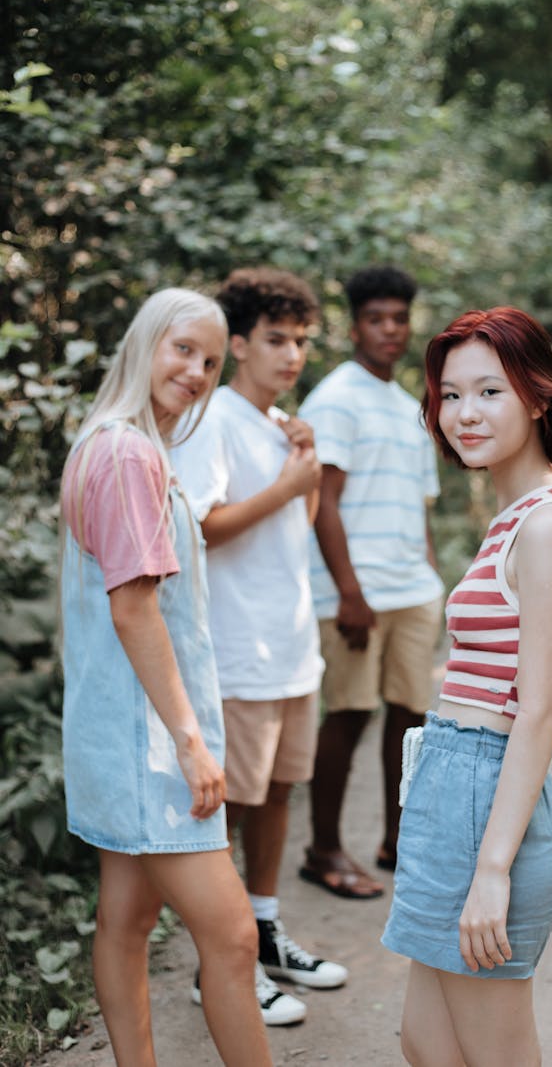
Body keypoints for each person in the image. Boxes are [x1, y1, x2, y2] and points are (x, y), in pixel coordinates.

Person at [382, 306, 552, 1067]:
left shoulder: (548, 525)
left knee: (493, 1053)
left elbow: (540, 712)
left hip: (486, 788)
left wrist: (493, 870)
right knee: (427, 1044)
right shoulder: (511, 517)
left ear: (538, 396)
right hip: (451, 777)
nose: (463, 414)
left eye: (489, 392)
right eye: (449, 395)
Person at [60, 288, 272, 1066]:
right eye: (184, 348)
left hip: (124, 734)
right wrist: (190, 741)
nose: (198, 370)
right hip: (149, 744)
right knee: (234, 934)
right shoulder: (124, 454)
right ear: (145, 342)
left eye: (213, 361)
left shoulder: (120, 447)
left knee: (126, 919)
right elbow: (135, 612)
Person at [172, 267, 348, 1026]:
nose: (291, 355)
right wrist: (285, 485)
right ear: (237, 343)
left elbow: (296, 527)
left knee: (279, 793)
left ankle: (266, 930)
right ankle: (219, 964)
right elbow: (201, 527)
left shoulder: (282, 424)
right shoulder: (211, 419)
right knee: (235, 806)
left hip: (291, 646)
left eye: (301, 340)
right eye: (276, 339)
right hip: (236, 648)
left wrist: (301, 474)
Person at [297, 265, 444, 899]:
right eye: (376, 319)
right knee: (350, 715)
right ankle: (323, 850)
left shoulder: (411, 403)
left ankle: (397, 841)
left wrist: (436, 581)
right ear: (354, 326)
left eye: (399, 319)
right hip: (354, 596)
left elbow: (419, 504)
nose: (390, 330)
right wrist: (350, 594)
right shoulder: (334, 398)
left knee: (411, 723)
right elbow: (321, 502)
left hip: (412, 591)